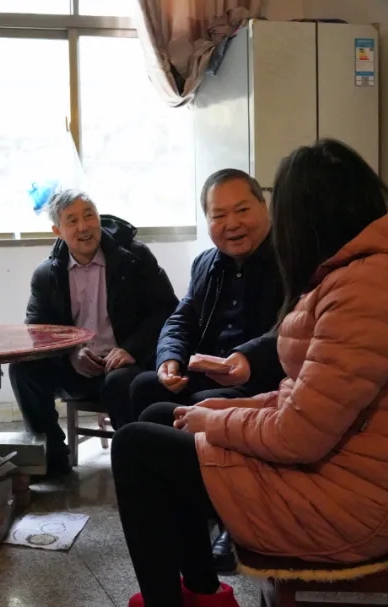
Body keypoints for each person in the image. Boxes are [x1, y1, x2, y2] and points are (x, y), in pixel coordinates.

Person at [111, 139, 388, 607]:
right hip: (331, 468)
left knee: (136, 447)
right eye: (219, 214)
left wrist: (215, 419)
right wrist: (216, 410)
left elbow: (299, 434)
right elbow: (304, 396)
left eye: (263, 209)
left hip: (344, 504)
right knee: (157, 414)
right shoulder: (359, 275)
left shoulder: (372, 288)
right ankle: (203, 592)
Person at [126, 169, 284, 572]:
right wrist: (169, 359)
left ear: (263, 207)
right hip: (210, 370)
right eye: (218, 215)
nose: (232, 224)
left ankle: (232, 519)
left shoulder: (291, 260)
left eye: (242, 210)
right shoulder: (206, 263)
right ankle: (175, 505)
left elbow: (293, 330)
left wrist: (247, 358)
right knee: (145, 387)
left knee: (201, 403)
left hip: (266, 381)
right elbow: (181, 318)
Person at [10, 189, 178, 475]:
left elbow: (166, 308)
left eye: (89, 216)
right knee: (22, 370)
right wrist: (71, 353)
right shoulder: (47, 274)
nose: (83, 227)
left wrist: (131, 349)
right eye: (72, 220)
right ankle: (52, 458)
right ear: (57, 230)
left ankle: (134, 465)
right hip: (75, 368)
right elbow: (37, 330)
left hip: (124, 364)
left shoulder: (133, 258)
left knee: (121, 383)